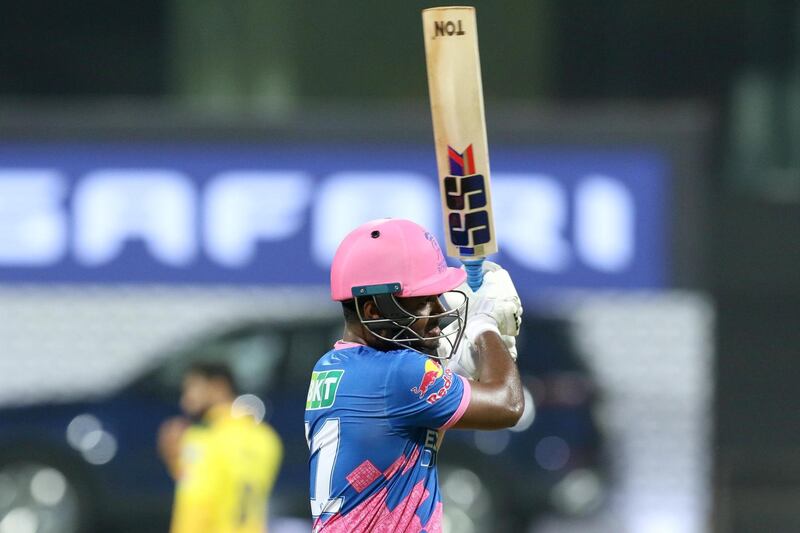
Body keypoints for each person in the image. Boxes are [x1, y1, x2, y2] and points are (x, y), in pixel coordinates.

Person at [305, 218, 523, 532]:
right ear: (373, 312)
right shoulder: (399, 372)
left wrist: (456, 368)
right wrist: (485, 327)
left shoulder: (332, 366)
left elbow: (415, 435)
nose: (439, 312)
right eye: (423, 302)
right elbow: (508, 405)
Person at [158, 362, 283, 533]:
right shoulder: (266, 438)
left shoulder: (201, 439)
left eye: (192, 388)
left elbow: (195, 505)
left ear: (218, 386)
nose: (185, 400)